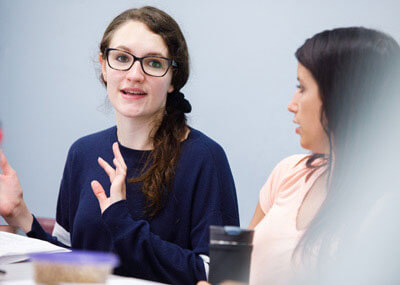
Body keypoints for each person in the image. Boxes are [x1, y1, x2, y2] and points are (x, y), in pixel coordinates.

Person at [0, 6, 239, 284]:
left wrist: (122, 223)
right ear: (103, 66)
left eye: (153, 63)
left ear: (173, 78)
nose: (135, 74)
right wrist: (22, 216)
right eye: (122, 58)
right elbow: (72, 266)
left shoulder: (206, 158)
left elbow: (223, 274)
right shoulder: (82, 153)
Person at [248, 27, 400, 284]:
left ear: (342, 98)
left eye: (302, 88)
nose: (292, 104)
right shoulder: (289, 172)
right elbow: (236, 264)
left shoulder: (385, 210)